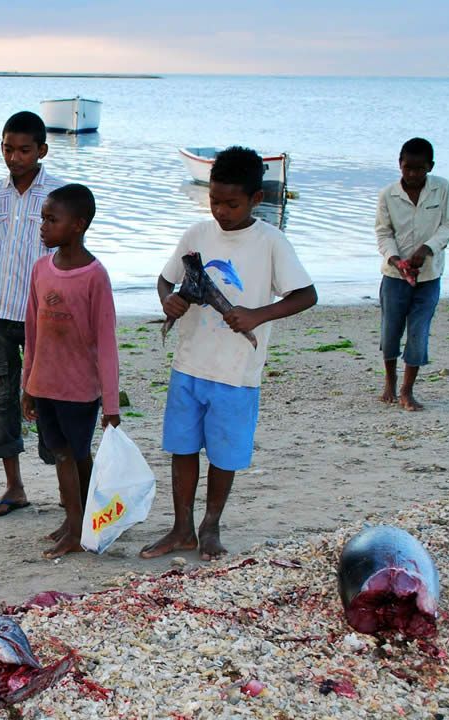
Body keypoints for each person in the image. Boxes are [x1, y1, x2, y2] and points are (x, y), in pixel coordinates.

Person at [139, 146, 317, 561]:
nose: (221, 211)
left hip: (236, 373)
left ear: (256, 199)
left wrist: (258, 314)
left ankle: (210, 526)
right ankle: (182, 528)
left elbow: (306, 295)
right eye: (214, 200)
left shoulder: (270, 242)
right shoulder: (197, 234)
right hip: (189, 364)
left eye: (231, 204)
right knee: (182, 448)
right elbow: (166, 280)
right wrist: (168, 300)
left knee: (223, 454)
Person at [17, 184, 121, 558]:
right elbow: (32, 331)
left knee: (73, 454)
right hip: (45, 383)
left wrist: (111, 404)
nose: (43, 227)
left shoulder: (95, 275)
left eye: (52, 220)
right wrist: (28, 384)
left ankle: (79, 527)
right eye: (42, 219)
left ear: (78, 225)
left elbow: (106, 342)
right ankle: (77, 519)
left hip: (79, 389)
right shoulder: (41, 269)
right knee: (63, 452)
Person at [0, 111, 66, 517]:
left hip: (44, 317)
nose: (14, 158)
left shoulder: (59, 195)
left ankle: (67, 486)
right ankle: (14, 487)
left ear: (41, 150)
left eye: (24, 150)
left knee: (51, 399)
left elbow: (68, 259)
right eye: (8, 149)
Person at [375, 137, 449, 411]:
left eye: (419, 168)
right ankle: (390, 381)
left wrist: (426, 249)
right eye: (407, 167)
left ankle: (407, 390)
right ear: (400, 164)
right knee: (390, 332)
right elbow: (383, 234)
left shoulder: (441, 188)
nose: (412, 174)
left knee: (418, 332)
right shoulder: (388, 194)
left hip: (429, 276)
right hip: (395, 276)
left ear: (430, 166)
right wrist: (397, 260)